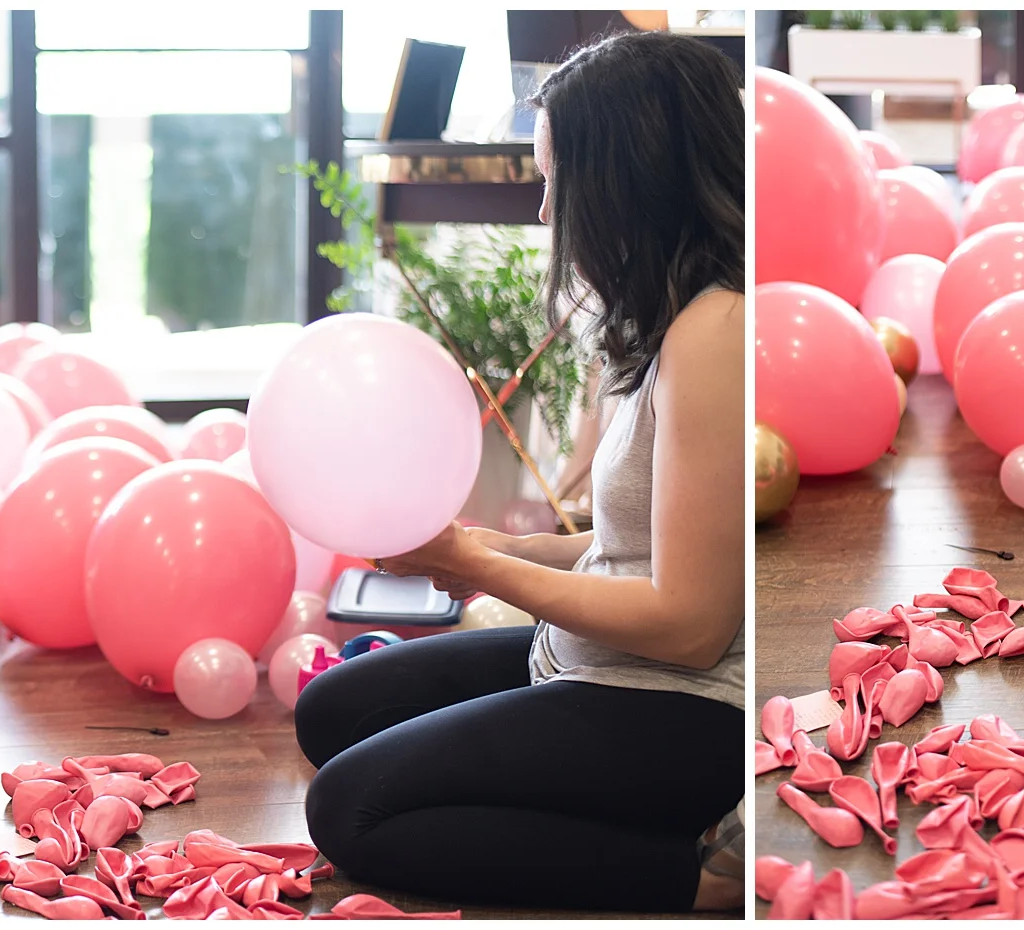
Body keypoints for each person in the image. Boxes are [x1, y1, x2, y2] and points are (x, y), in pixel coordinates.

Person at [292, 31, 746, 913]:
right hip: (585, 663)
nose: (546, 214)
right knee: (331, 712)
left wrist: (474, 566)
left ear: (625, 179)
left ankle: (696, 883)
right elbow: (636, 551)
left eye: (553, 181)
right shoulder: (675, 318)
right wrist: (485, 543)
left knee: (352, 810)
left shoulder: (715, 330)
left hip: (679, 709)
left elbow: (689, 624)